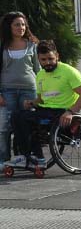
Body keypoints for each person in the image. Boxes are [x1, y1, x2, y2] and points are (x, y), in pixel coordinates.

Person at [8, 41, 81, 169]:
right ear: (38, 59)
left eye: (51, 59)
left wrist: (70, 112)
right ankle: (26, 155)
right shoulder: (40, 75)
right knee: (17, 115)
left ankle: (37, 157)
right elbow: (41, 99)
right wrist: (32, 103)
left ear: (57, 56)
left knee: (29, 121)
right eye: (43, 59)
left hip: (62, 111)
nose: (47, 63)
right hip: (46, 110)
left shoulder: (69, 72)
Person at [0, 12, 39, 162]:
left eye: (23, 24)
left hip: (29, 91)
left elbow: (38, 71)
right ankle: (3, 160)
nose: (21, 27)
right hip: (6, 92)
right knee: (4, 128)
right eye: (17, 24)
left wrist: (41, 93)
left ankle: (24, 158)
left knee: (26, 127)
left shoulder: (32, 45)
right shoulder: (2, 46)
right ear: (9, 26)